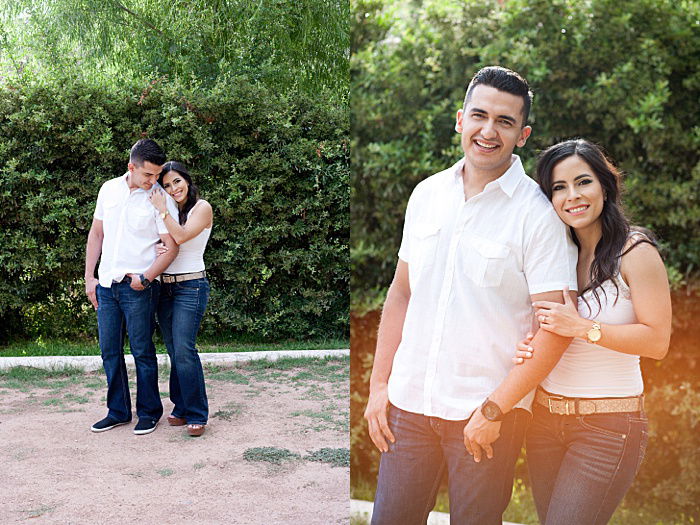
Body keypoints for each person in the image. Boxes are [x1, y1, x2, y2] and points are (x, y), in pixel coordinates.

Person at [364, 65, 579, 524]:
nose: (488, 131)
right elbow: (401, 292)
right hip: (408, 405)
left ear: (523, 134)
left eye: (504, 122)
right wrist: (379, 386)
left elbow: (556, 329)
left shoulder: (537, 214)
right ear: (460, 119)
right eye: (479, 116)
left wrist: (496, 407)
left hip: (487, 415)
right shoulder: (426, 194)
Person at [512, 139, 671, 524]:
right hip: (546, 422)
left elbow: (657, 341)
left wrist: (585, 329)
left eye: (583, 182)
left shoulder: (635, 251)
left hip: (608, 426)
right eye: (559, 188)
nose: (573, 196)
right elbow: (549, 327)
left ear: (605, 185)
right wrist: (529, 345)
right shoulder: (558, 253)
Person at [85, 139, 180, 435]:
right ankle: (118, 411)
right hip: (107, 285)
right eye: (148, 175)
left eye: (157, 175)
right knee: (109, 350)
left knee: (142, 350)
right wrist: (89, 277)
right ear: (131, 167)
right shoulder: (108, 189)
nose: (154, 181)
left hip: (137, 286)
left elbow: (171, 245)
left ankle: (149, 412)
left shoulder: (158, 198)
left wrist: (147, 277)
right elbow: (96, 234)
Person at [148, 161, 213, 437]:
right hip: (166, 288)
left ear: (187, 180)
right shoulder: (171, 212)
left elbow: (183, 235)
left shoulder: (202, 208)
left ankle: (197, 413)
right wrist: (157, 245)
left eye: (177, 181)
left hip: (191, 286)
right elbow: (165, 241)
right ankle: (181, 406)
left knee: (185, 348)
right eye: (166, 186)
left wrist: (161, 209)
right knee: (174, 351)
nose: (173, 188)